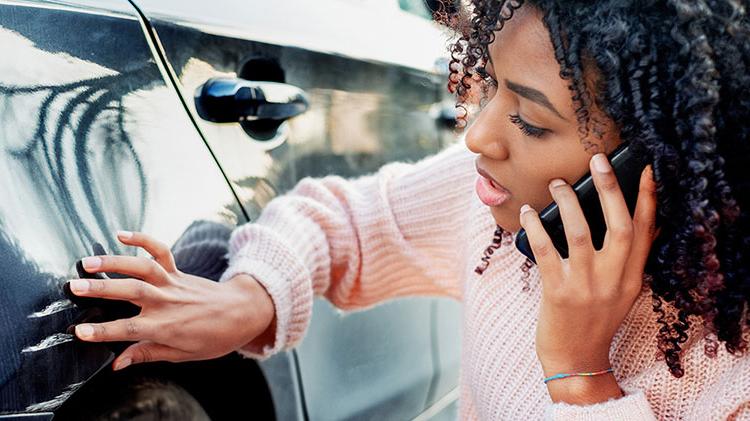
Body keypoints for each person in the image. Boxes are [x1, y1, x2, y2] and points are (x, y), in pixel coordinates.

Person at [65, 0, 750, 419]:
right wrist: (251, 298)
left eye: (530, 123)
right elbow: (344, 221)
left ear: (661, 163)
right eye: (491, 91)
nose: (478, 136)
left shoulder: (731, 365)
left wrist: (581, 374)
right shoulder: (492, 207)